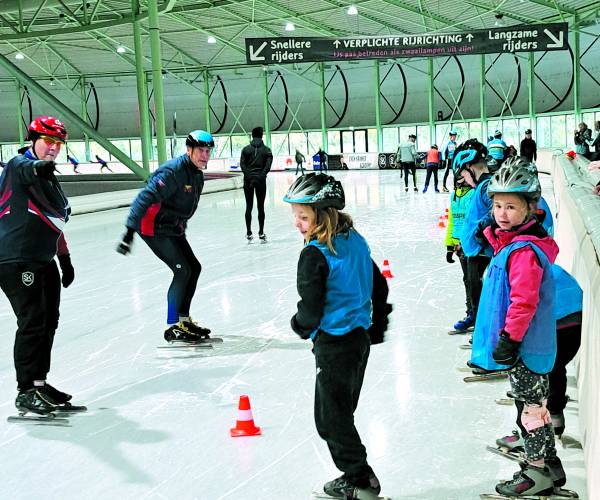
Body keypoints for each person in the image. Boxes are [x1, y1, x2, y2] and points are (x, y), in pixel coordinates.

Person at [283, 173, 392, 500]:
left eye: (303, 216)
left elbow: (311, 309)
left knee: (330, 421)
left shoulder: (315, 254)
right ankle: (354, 475)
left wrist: (299, 325)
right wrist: (378, 324)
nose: (297, 224)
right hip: (358, 341)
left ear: (323, 214)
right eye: (295, 216)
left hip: (333, 344)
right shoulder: (355, 240)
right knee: (340, 414)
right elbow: (379, 284)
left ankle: (361, 479)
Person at [470, 161, 565, 497]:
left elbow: (523, 303)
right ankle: (549, 462)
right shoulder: (515, 244)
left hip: (526, 345)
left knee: (530, 408)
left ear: (531, 208)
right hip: (529, 344)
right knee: (533, 404)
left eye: (511, 206)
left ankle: (536, 470)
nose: (502, 214)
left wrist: (509, 339)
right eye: (497, 205)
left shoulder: (524, 251)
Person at [0, 116, 78, 414]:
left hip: (42, 258)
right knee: (32, 321)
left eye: (59, 144)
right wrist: (38, 165)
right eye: (48, 141)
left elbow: (52, 221)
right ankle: (25, 391)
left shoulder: (48, 178)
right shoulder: (19, 166)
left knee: (48, 322)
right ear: (33, 140)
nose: (54, 149)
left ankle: (39, 383)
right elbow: (25, 167)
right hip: (16, 259)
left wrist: (65, 258)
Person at [116, 130, 214, 343]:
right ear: (189, 150)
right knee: (182, 270)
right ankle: (173, 326)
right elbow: (144, 198)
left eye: (208, 151)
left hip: (171, 226)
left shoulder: (196, 173)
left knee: (194, 268)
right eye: (200, 151)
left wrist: (181, 228)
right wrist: (129, 232)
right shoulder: (173, 172)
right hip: (152, 226)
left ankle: (184, 320)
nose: (205, 155)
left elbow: (185, 206)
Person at [455, 140, 493, 329]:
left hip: (482, 252)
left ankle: (482, 333)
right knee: (475, 293)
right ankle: (478, 326)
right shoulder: (481, 186)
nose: (464, 180)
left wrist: (480, 233)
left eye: (462, 174)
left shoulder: (486, 186)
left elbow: (496, 212)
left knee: (480, 295)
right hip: (475, 250)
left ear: (469, 167)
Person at [444, 160, 476, 332]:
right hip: (458, 246)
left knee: (473, 280)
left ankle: (475, 314)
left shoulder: (472, 195)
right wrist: (450, 245)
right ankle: (470, 312)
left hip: (469, 245)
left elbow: (471, 222)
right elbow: (452, 222)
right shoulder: (455, 195)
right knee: (467, 280)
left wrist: (466, 243)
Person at [240, 127, 273, 242]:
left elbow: (242, 165)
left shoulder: (245, 150)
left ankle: (249, 233)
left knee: (249, 206)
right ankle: (261, 232)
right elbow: (267, 167)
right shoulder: (267, 150)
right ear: (262, 135)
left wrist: (249, 177)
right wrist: (259, 177)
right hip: (261, 182)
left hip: (248, 181)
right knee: (260, 207)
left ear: (252, 135)